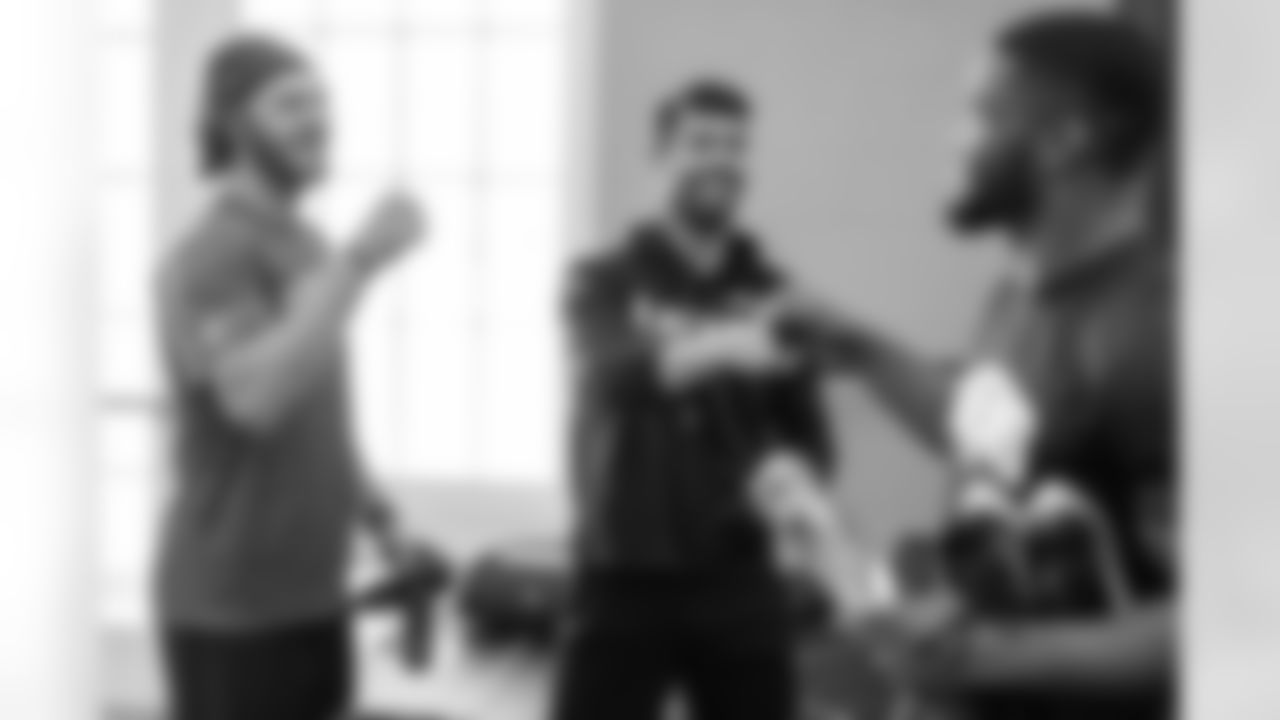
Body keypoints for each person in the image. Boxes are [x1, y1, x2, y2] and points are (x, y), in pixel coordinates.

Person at [771, 9, 1175, 720]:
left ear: (1065, 140)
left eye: (979, 113)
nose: (952, 138)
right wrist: (860, 347)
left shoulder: (1156, 332)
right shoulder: (1019, 293)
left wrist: (983, 657)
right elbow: (1000, 436)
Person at [154, 34, 434, 720]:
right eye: (290, 104)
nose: (318, 120)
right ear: (232, 125)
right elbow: (255, 400)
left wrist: (385, 525)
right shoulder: (209, 255)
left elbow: (319, 415)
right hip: (230, 612)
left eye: (321, 103)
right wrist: (359, 262)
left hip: (315, 598)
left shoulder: (309, 245)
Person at [553, 79, 838, 720]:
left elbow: (812, 440)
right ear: (661, 157)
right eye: (701, 142)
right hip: (622, 579)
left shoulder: (775, 292)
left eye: (735, 145)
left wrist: (799, 479)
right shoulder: (600, 279)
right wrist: (728, 343)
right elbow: (613, 377)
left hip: (741, 578)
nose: (721, 159)